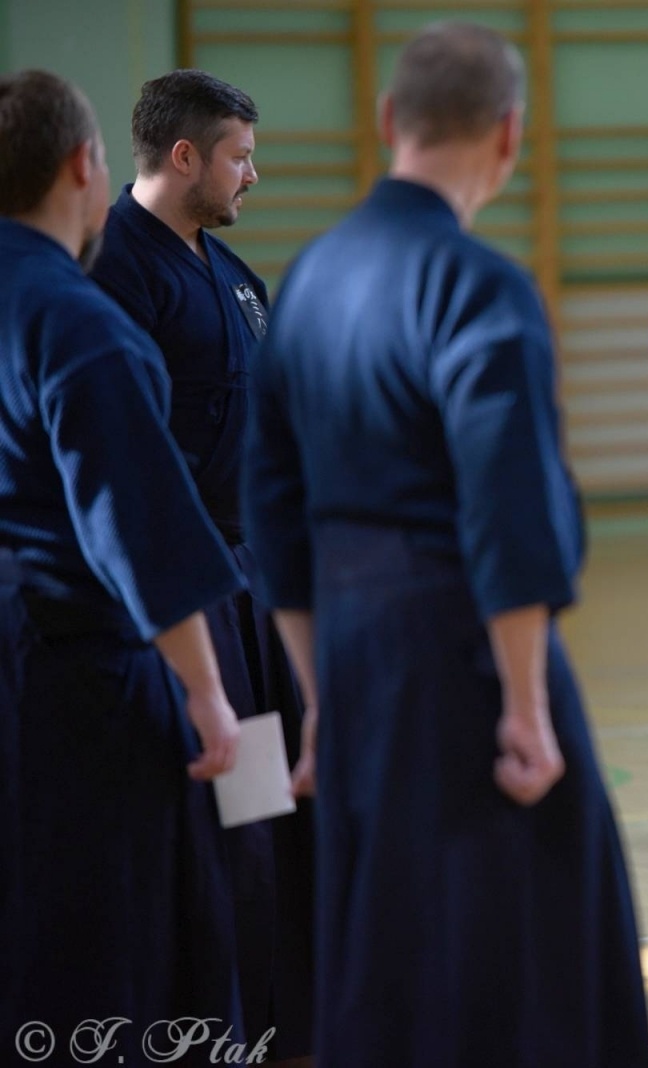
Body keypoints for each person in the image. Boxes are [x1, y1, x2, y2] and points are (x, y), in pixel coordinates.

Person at [241, 23, 648, 1067]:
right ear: (510, 135)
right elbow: (506, 508)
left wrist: (319, 693)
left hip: (350, 654)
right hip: (464, 652)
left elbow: (272, 514)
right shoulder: (479, 286)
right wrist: (523, 707)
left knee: (384, 931)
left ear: (387, 122)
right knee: (525, 938)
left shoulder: (307, 282)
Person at [1, 69, 248, 1059]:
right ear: (85, 167)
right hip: (80, 664)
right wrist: (206, 692)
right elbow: (134, 524)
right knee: (111, 923)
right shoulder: (81, 323)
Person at [88, 69, 314, 1059]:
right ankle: (200, 1017)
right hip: (169, 601)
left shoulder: (234, 279)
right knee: (196, 818)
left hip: (249, 586)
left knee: (259, 811)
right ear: (184, 158)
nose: (252, 175)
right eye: (239, 156)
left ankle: (267, 1007)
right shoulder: (109, 275)